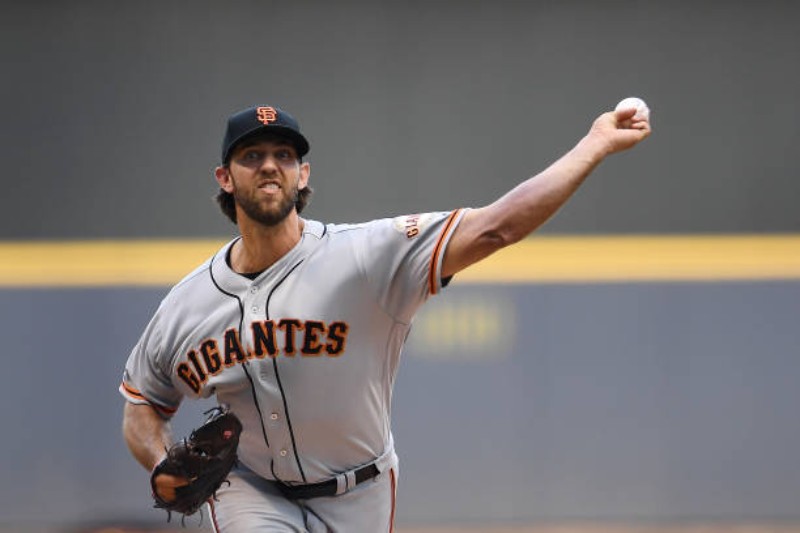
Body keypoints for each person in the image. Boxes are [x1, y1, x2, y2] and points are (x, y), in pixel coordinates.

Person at [120, 103, 651, 532]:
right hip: (249, 490)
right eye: (251, 155)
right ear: (225, 178)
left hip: (361, 491)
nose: (269, 165)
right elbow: (141, 405)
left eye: (284, 154)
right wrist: (165, 461)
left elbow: (498, 227)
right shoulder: (188, 303)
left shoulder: (366, 256)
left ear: (303, 174)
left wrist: (594, 144)